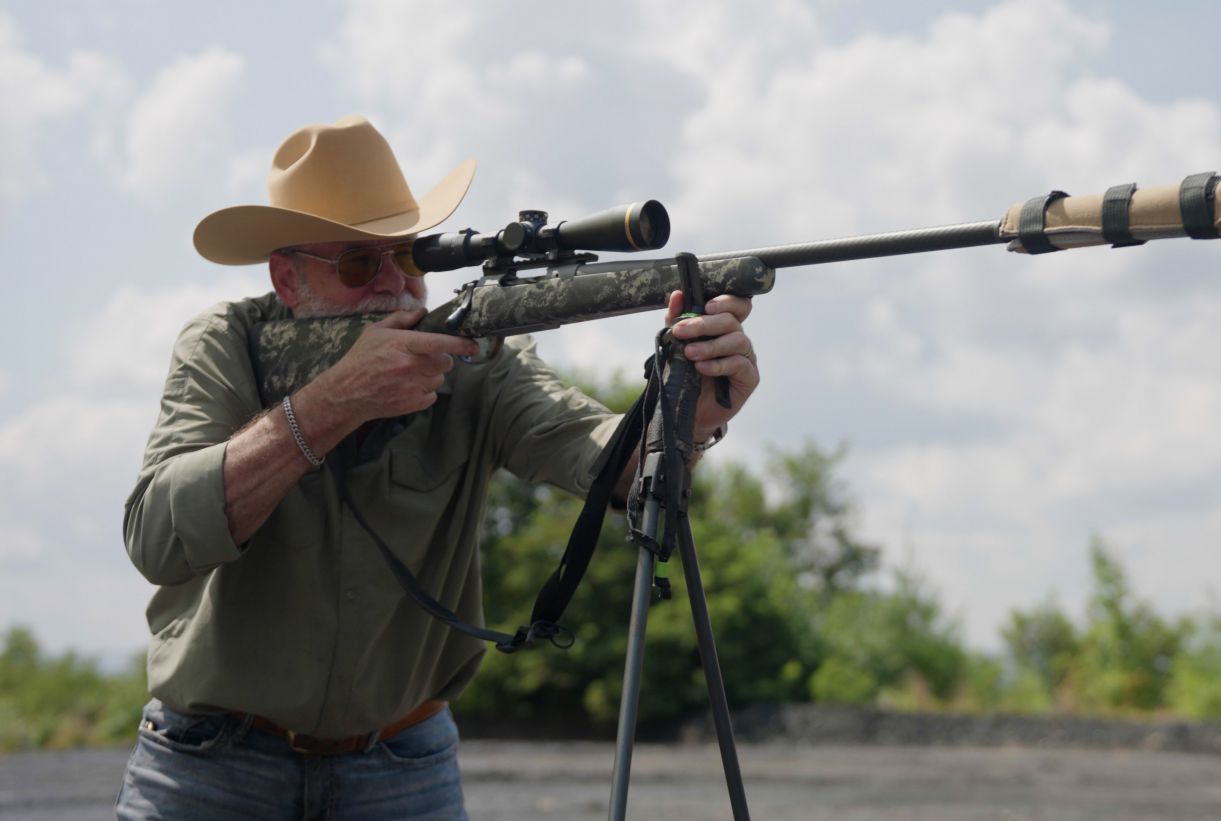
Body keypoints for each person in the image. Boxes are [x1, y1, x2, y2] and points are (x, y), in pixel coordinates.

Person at [115, 115, 759, 819]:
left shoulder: (476, 357)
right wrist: (329, 406)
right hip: (212, 764)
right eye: (361, 264)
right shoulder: (227, 345)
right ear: (286, 278)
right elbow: (158, 535)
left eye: (412, 257)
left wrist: (690, 418)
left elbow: (607, 459)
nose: (395, 284)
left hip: (402, 765)